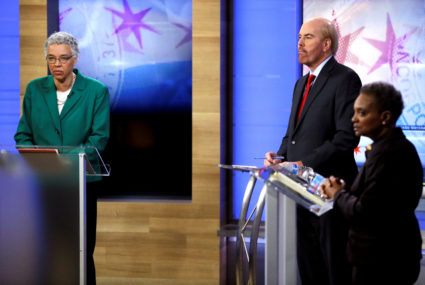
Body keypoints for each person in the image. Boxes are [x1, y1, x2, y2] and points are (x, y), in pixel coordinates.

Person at [264, 18, 361, 285]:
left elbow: (346, 136)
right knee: (309, 267)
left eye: (308, 37)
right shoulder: (301, 84)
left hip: (330, 190)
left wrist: (303, 163)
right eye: (299, 37)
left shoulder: (346, 79)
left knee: (334, 268)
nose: (299, 43)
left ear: (326, 44)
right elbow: (292, 134)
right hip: (300, 190)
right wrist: (280, 156)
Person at [14, 31, 110, 285]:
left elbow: (98, 140)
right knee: (45, 250)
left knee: (80, 252)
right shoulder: (35, 89)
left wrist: (59, 159)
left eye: (63, 58)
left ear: (75, 59)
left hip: (81, 184)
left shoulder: (96, 91)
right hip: (43, 185)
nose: (56, 64)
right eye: (51, 59)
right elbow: (23, 135)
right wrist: (39, 159)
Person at [321, 82, 423, 285]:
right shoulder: (387, 149)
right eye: (354, 112)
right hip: (381, 257)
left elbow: (367, 213)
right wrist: (344, 189)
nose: (353, 119)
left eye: (362, 113)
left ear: (385, 117)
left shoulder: (389, 154)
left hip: (384, 262)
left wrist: (338, 194)